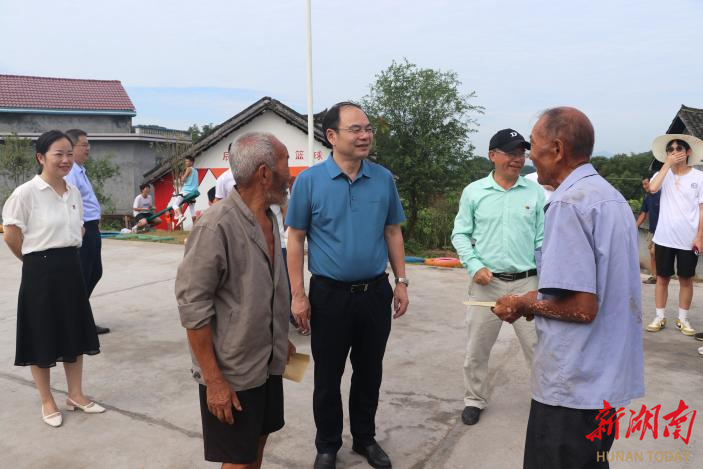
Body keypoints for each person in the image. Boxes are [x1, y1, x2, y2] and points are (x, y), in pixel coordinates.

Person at [492, 107, 644, 469]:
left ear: (557, 149)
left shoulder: (567, 204)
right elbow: (583, 290)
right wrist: (530, 299)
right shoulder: (610, 197)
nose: (530, 155)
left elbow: (581, 307)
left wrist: (525, 305)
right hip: (603, 383)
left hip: (572, 385)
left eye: (534, 144)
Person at [286, 101, 409, 469]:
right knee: (328, 376)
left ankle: (364, 439)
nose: (365, 135)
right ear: (332, 136)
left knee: (369, 371)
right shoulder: (310, 182)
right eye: (356, 129)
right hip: (329, 296)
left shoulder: (382, 179)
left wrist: (401, 281)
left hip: (375, 293)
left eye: (368, 129)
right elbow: (296, 238)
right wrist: (298, 294)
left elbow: (392, 231)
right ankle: (327, 445)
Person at [175, 132, 295, 469]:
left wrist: (279, 337)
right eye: (285, 162)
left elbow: (262, 290)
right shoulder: (216, 227)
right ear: (264, 173)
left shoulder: (269, 218)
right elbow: (193, 309)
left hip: (266, 362)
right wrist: (214, 380)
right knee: (238, 460)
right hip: (232, 371)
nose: (290, 174)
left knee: (258, 442)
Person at [2, 130, 106, 428]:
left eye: (69, 154)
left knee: (74, 330)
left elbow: (79, 228)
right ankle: (47, 400)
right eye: (58, 154)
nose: (65, 160)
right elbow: (11, 234)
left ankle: (76, 395)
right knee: (42, 334)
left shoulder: (72, 192)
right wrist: (31, 260)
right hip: (40, 270)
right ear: (41, 157)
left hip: (71, 267)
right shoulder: (25, 193)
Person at [451, 128, 544, 426]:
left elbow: (542, 239)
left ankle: (545, 401)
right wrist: (473, 265)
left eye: (521, 153)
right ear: (493, 155)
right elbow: (460, 234)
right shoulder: (474, 192)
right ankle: (474, 399)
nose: (518, 159)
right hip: (487, 283)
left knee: (538, 347)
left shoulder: (535, 192)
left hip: (527, 282)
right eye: (511, 153)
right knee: (477, 348)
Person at [645, 134, 703, 336]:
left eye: (679, 149)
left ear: (688, 152)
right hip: (664, 237)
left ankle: (683, 318)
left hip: (688, 239)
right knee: (662, 278)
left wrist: (700, 237)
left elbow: (702, 209)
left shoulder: (699, 177)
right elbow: (653, 188)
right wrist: (667, 165)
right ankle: (659, 316)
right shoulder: (662, 174)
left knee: (686, 279)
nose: (674, 152)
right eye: (670, 149)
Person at [64, 129, 110, 335]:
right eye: (84, 145)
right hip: (83, 229)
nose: (88, 148)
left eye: (88, 144)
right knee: (84, 275)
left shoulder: (80, 170)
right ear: (72, 147)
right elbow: (70, 203)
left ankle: (78, 316)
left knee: (94, 272)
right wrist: (80, 227)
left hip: (91, 227)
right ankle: (77, 320)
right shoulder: (71, 173)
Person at [635, 176, 660, 284]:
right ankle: (655, 277)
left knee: (654, 252)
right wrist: (635, 226)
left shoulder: (662, 195)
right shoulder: (647, 198)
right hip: (652, 231)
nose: (644, 186)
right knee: (652, 254)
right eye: (643, 185)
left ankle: (660, 276)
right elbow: (643, 214)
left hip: (662, 230)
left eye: (646, 183)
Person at [169, 155, 199, 226]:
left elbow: (183, 179)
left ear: (192, 162)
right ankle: (195, 225)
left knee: (174, 205)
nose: (186, 163)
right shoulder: (196, 171)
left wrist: (181, 177)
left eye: (187, 161)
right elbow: (189, 180)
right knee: (192, 209)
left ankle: (180, 216)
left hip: (186, 191)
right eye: (185, 161)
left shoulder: (188, 168)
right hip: (193, 192)